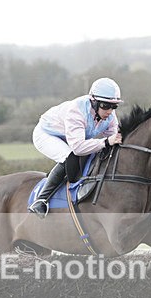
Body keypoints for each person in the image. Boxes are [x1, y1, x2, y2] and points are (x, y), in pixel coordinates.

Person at [28, 77, 123, 218]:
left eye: (114, 106)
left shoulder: (110, 116)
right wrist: (106, 142)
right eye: (105, 106)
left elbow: (114, 140)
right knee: (69, 157)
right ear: (94, 102)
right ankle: (41, 200)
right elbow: (78, 148)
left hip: (72, 136)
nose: (110, 111)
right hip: (47, 134)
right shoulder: (77, 111)